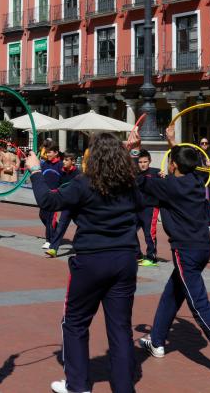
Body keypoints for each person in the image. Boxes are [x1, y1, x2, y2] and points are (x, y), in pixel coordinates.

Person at [26, 133, 141, 393]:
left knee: (75, 321)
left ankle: (78, 385)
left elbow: (48, 201)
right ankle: (123, 387)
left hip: (92, 259)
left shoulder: (84, 183)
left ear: (93, 157)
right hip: (124, 258)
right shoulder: (129, 183)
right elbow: (140, 200)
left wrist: (35, 171)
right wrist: (132, 153)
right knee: (120, 327)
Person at [135, 128, 210, 380]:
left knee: (198, 303)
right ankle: (157, 340)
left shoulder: (169, 186)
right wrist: (173, 143)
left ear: (172, 165)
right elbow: (185, 162)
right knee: (173, 292)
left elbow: (139, 178)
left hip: (186, 251)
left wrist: (134, 150)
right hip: (203, 247)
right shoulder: (196, 179)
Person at [46, 152, 79, 258]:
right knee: (61, 226)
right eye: (63, 159)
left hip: (78, 206)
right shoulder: (63, 172)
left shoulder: (78, 174)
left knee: (83, 226)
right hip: (67, 205)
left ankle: (80, 246)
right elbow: (60, 186)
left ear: (73, 162)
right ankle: (53, 249)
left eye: (66, 160)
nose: (63, 162)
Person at [134, 149, 160, 267]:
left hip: (150, 207)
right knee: (130, 230)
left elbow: (167, 183)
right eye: (140, 162)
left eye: (145, 161)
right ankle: (138, 255)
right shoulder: (134, 173)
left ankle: (151, 257)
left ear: (150, 161)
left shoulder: (156, 172)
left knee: (149, 233)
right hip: (136, 208)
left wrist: (163, 176)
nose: (143, 164)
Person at [39, 143, 63, 249]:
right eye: (46, 152)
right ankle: (56, 231)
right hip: (45, 194)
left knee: (50, 217)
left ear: (56, 153)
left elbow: (64, 180)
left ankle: (49, 240)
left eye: (49, 152)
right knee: (42, 215)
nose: (47, 154)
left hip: (55, 195)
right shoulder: (44, 164)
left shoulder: (60, 165)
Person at [198, 137, 210, 228]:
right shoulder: (197, 154)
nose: (204, 145)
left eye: (206, 143)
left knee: (208, 201)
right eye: (202, 143)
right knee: (198, 202)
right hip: (198, 181)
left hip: (208, 181)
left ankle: (207, 222)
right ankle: (199, 221)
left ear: (208, 144)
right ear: (199, 145)